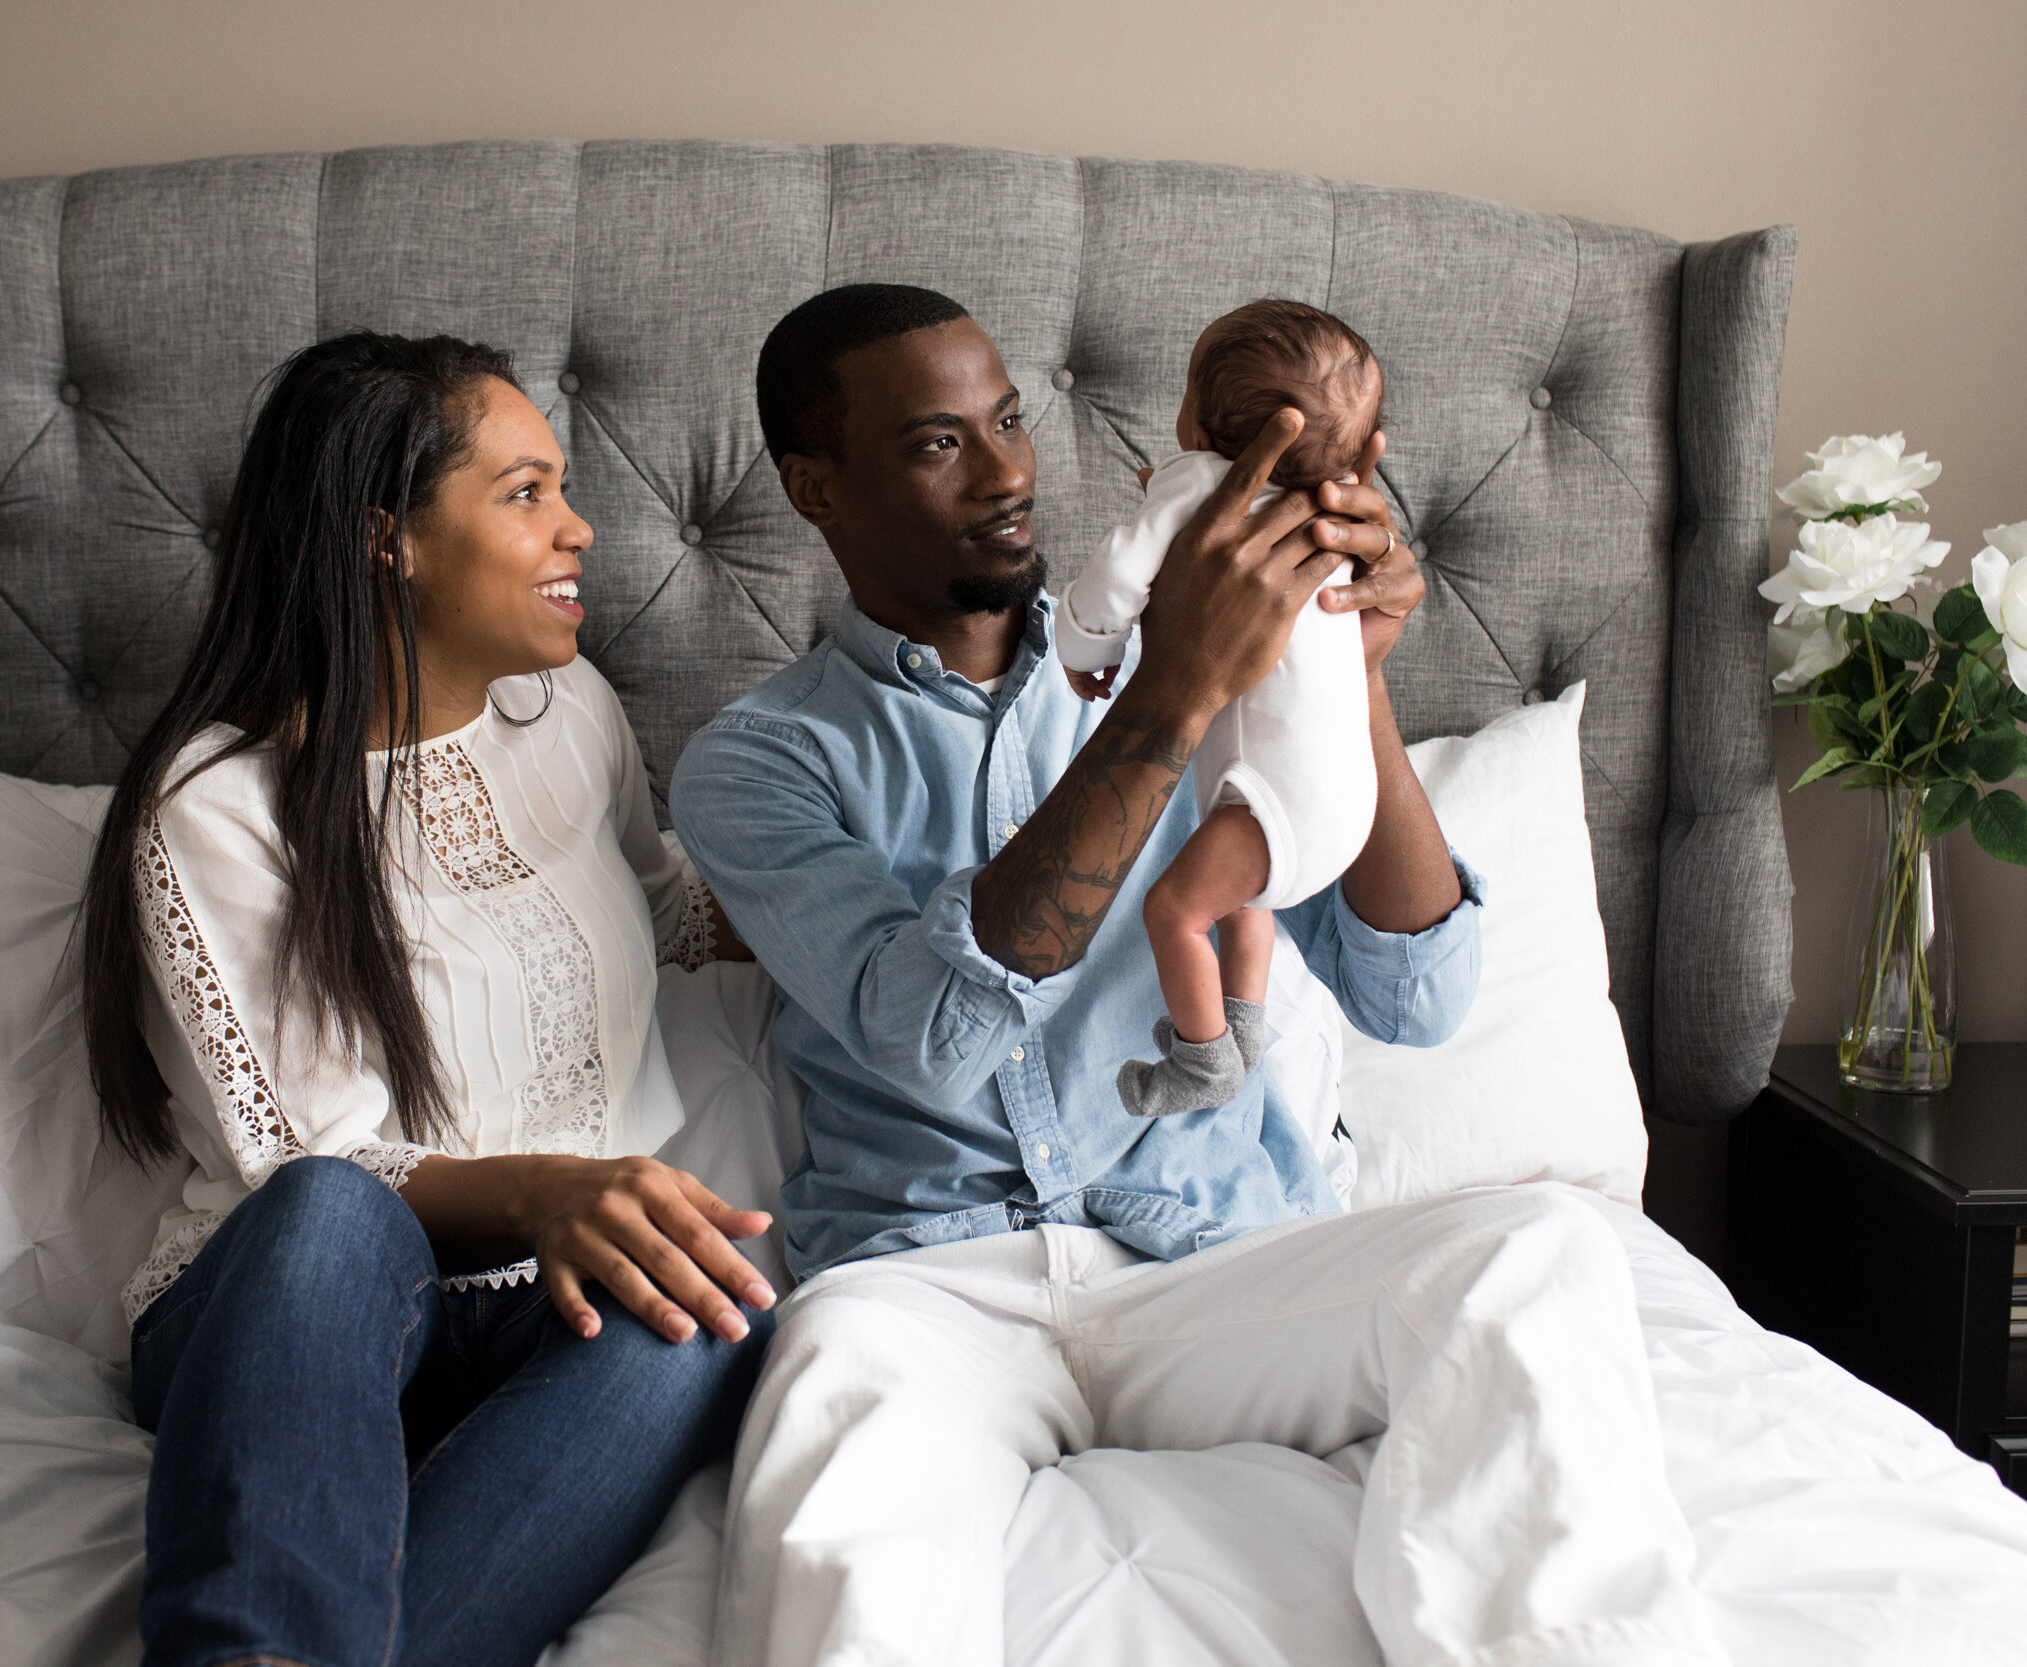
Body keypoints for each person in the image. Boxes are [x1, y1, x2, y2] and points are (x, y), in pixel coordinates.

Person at [671, 284, 1727, 1667]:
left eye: (1007, 418)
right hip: (932, 1287)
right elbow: (929, 1035)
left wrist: (1346, 670)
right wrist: (1170, 697)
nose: (1005, 472)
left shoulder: (1222, 634)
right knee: (827, 1398)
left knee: (1537, 1250)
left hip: (1224, 1262)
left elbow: (1417, 995)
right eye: (939, 443)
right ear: (815, 484)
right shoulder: (761, 761)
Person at [79, 331, 773, 1667]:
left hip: (548, 1300)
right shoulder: (216, 807)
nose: (578, 527)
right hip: (289, 1314)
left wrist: (906, 899)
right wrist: (543, 1187)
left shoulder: (575, 714)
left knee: (705, 1309)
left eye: (560, 486)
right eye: (525, 492)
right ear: (383, 537)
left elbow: (676, 911)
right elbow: (304, 1158)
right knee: (334, 1212)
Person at [1056, 299, 1385, 1116]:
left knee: (1174, 910)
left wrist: (1086, 645)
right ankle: (1241, 1033)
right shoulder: (1332, 516)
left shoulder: (1202, 483)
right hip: (1346, 806)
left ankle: (1201, 1061)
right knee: (1244, 905)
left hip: (1278, 805)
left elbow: (1121, 569)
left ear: (1198, 423)